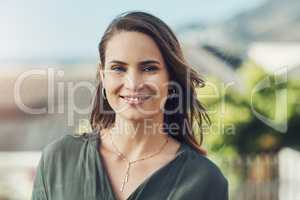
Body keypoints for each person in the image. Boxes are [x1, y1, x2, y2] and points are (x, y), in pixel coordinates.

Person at [31, 11, 228, 200]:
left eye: (149, 68)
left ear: (171, 77)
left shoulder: (204, 180)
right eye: (118, 68)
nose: (133, 83)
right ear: (103, 76)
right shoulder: (59, 160)